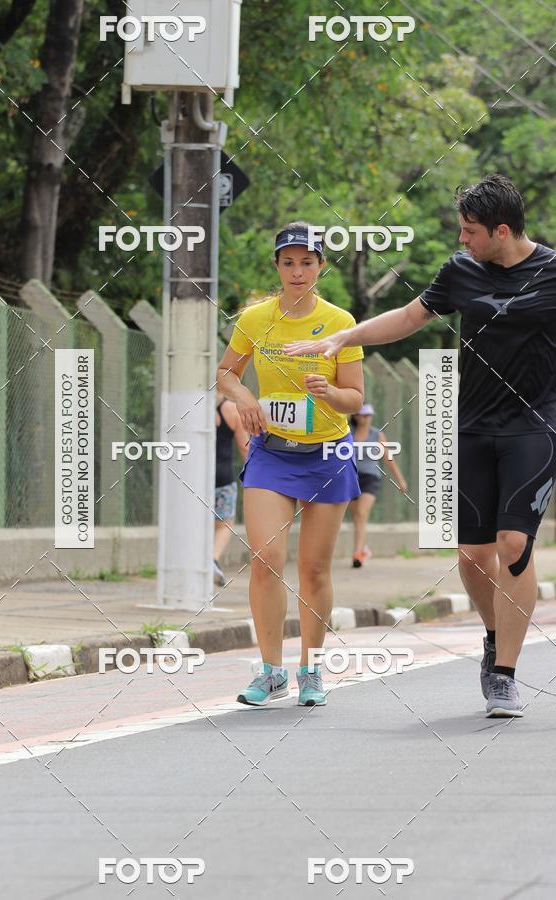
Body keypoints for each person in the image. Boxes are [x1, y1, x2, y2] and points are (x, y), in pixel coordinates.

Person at [284, 174, 556, 718]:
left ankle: (504, 673)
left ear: (502, 231)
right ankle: (492, 636)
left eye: (470, 232)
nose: (462, 241)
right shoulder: (460, 272)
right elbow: (409, 318)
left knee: (511, 545)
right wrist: (343, 336)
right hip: (473, 427)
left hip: (536, 425)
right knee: (473, 555)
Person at [216, 221, 364, 707]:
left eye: (306, 261)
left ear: (321, 265)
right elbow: (224, 372)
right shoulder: (256, 320)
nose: (297, 271)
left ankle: (312, 670)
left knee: (314, 570)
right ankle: (271, 672)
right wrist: (243, 396)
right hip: (272, 453)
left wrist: (330, 392)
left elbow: (354, 397)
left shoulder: (340, 322)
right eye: (288, 262)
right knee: (265, 561)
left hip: (328, 454)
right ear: (277, 267)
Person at [348, 403, 407, 568]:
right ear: (356, 416)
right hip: (351, 477)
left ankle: (357, 553)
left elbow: (389, 458)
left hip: (371, 478)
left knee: (361, 513)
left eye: (369, 415)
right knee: (357, 517)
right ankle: (363, 548)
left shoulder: (377, 435)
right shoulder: (348, 434)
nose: (366, 418)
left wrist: (400, 480)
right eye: (363, 415)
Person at [214, 394, 248, 587]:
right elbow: (245, 448)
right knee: (224, 523)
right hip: (223, 477)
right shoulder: (231, 409)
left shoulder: (193, 405)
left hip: (194, 477)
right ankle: (213, 558)